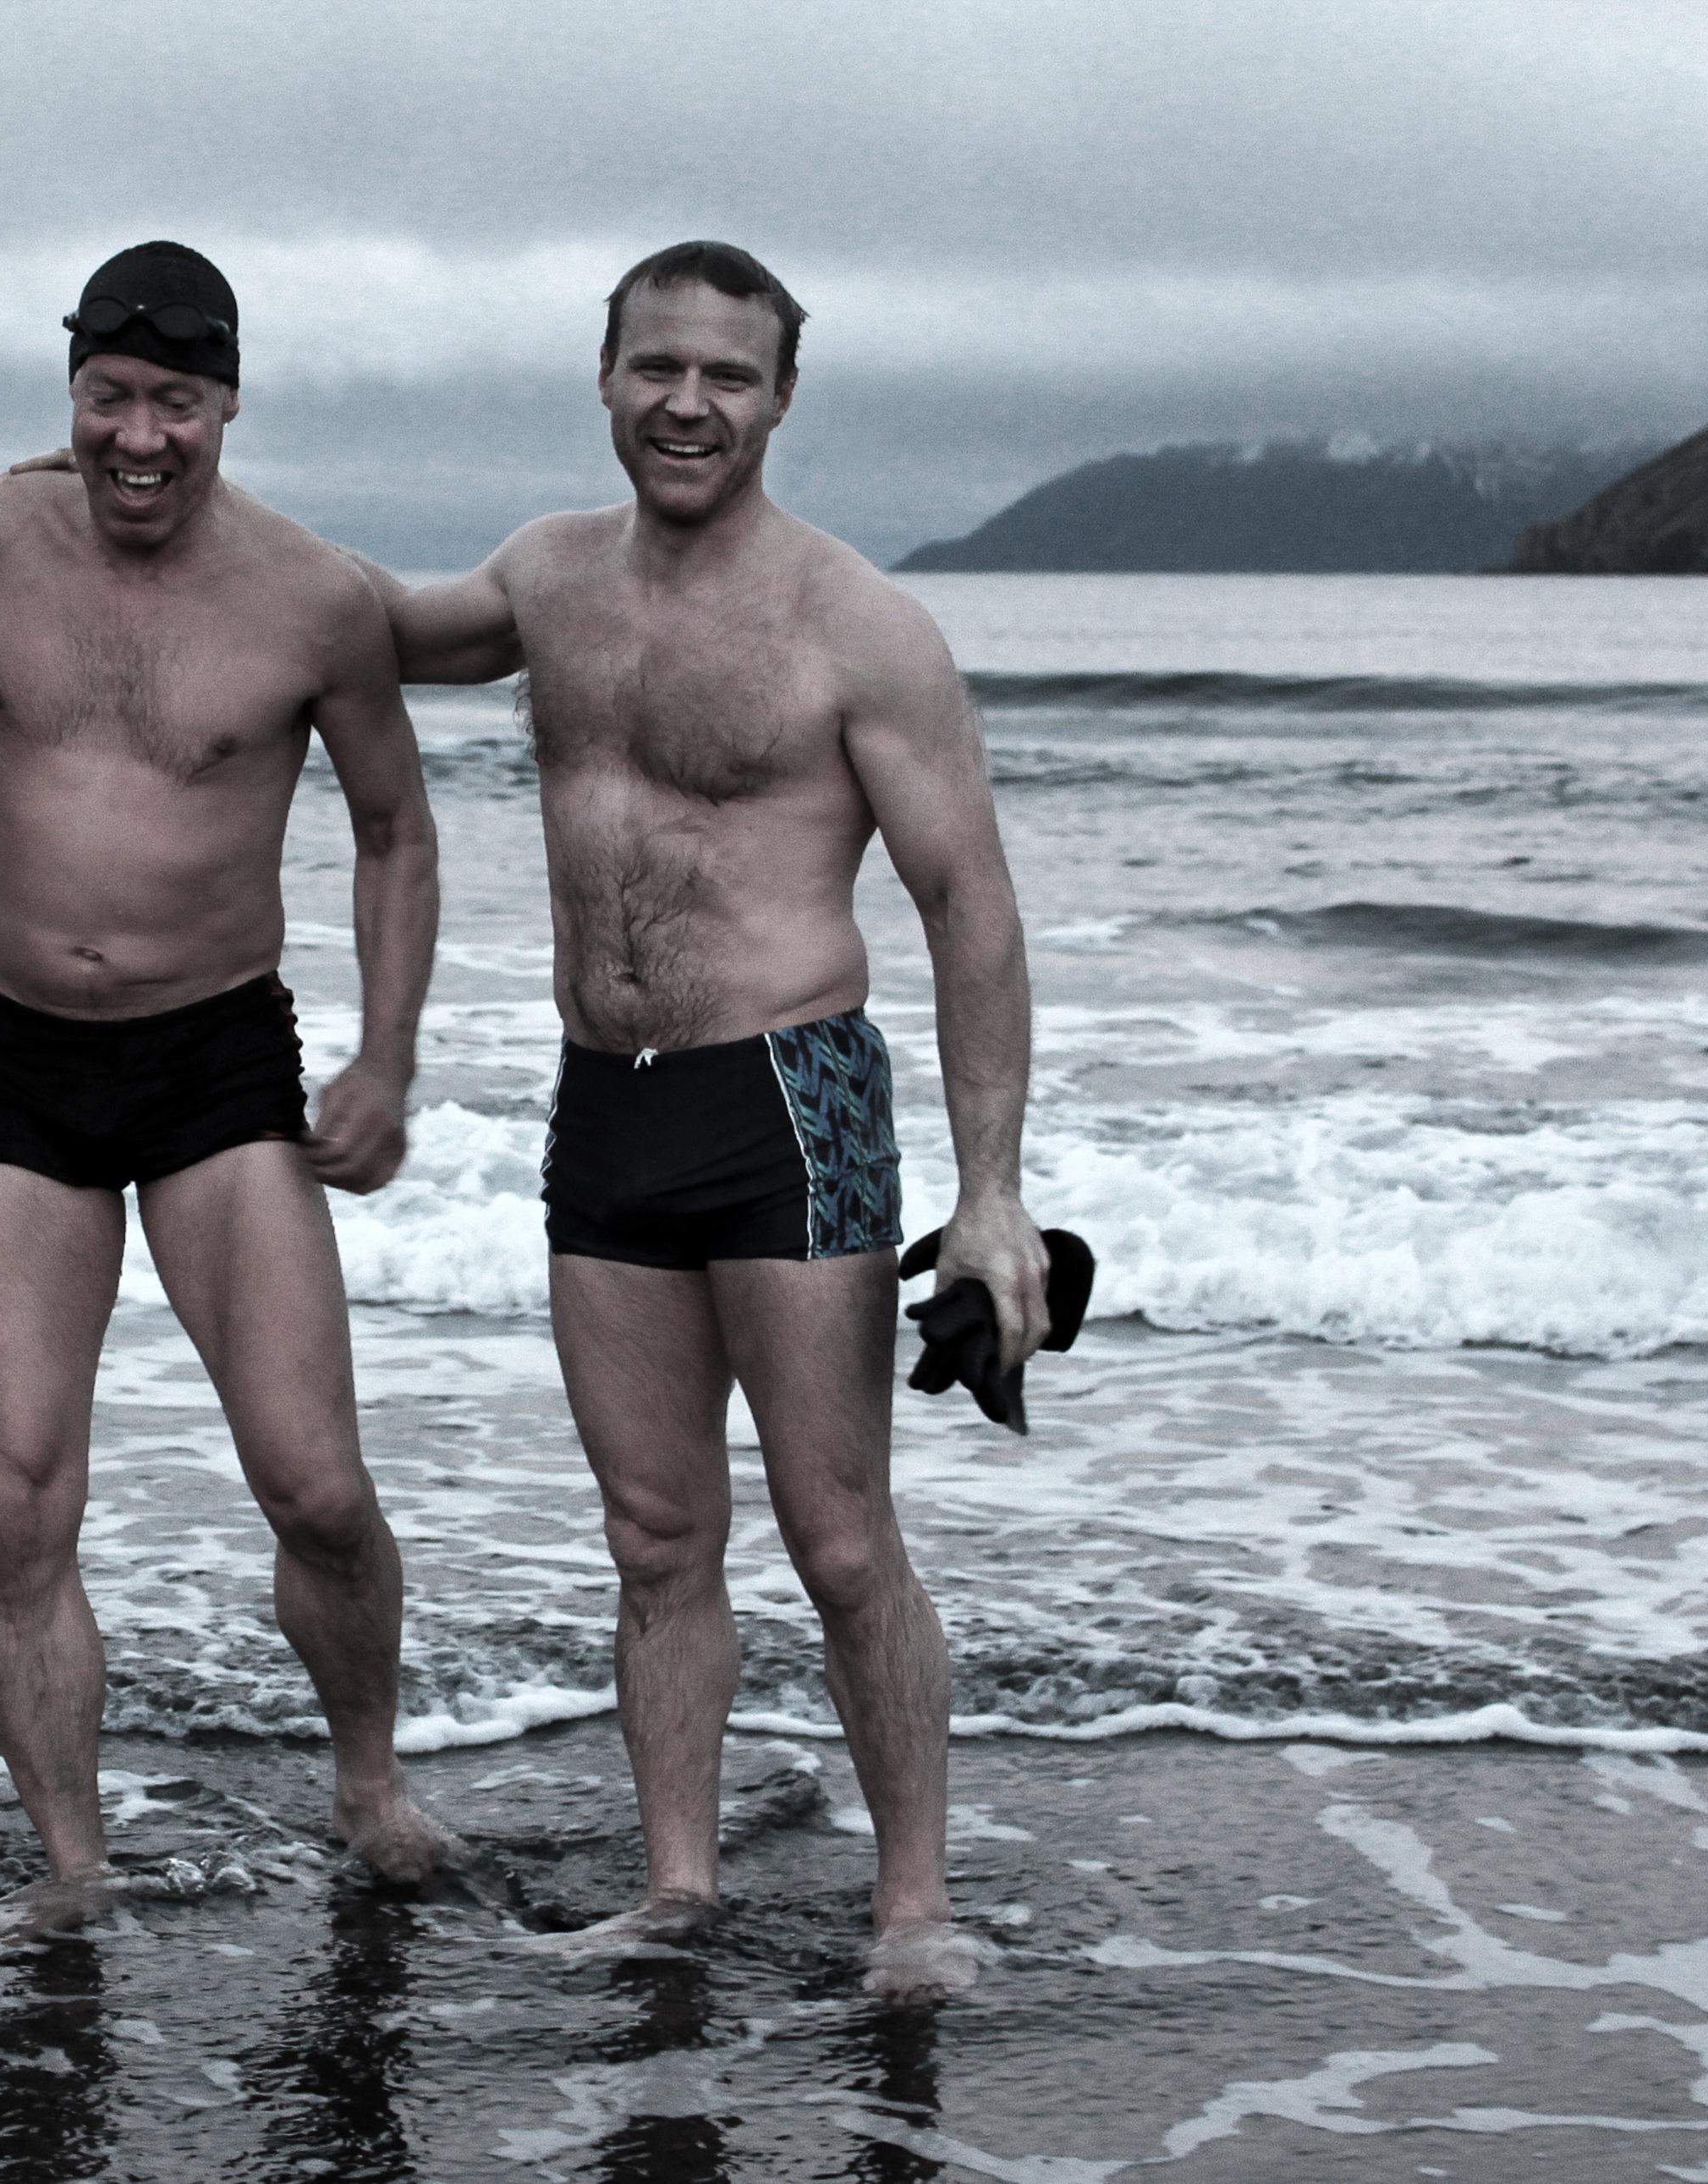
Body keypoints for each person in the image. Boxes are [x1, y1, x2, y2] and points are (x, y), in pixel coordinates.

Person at [359, 241, 1051, 2001]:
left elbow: (968, 902)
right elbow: (351, 629)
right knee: (655, 1536)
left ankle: (914, 1909)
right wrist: (159, 503)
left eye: (726, 375)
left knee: (839, 1536)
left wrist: (989, 1192)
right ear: (604, 376)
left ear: (781, 397)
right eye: (656, 366)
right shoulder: (545, 577)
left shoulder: (857, 624)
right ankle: (677, 1890)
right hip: (607, 1103)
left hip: (786, 1099)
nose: (687, 402)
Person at [0, 241, 462, 1926]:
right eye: (108, 399)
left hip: (213, 1058)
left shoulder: (313, 598)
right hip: (19, 1056)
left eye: (174, 404)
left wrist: (388, 1053)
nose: (138, 437)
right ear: (71, 393)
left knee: (315, 1484)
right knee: (15, 1498)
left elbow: (397, 829)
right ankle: (74, 1868)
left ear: (228, 404)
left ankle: (369, 1779)